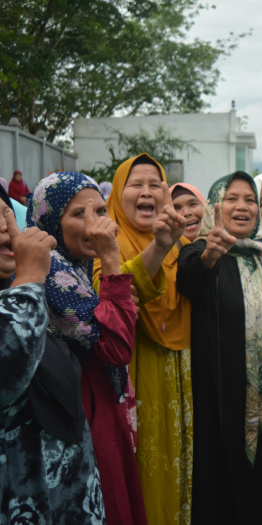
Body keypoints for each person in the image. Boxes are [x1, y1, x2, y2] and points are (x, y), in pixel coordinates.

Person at [26, 172, 144, 525]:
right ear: (49, 221)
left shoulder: (74, 267)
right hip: (85, 413)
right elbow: (117, 347)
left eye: (100, 211)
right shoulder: (53, 275)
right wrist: (111, 260)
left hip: (100, 404)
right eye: (79, 214)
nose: (95, 224)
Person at [177, 171, 262, 524]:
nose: (242, 206)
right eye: (232, 198)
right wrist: (211, 254)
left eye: (249, 200)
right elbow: (190, 279)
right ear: (215, 205)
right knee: (222, 491)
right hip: (221, 398)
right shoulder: (199, 250)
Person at [96, 153, 193, 525]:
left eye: (156, 184)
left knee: (177, 473)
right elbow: (106, 297)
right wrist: (158, 246)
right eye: (136, 184)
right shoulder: (107, 244)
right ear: (119, 193)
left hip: (179, 380)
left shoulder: (182, 247)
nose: (147, 191)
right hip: (133, 375)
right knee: (141, 478)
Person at [0, 188, 106, 523]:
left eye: (5, 212)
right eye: (79, 213)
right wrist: (30, 277)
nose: (5, 225)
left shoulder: (19, 290)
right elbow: (9, 369)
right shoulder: (36, 284)